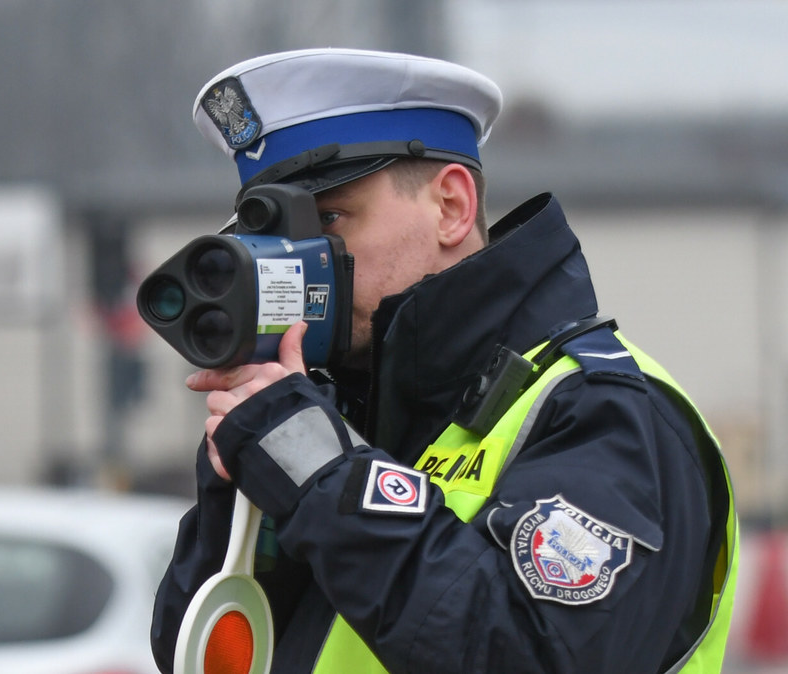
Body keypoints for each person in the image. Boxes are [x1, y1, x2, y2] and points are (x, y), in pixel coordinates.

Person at [149, 48, 738, 673]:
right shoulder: (343, 414)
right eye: (274, 238)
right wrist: (240, 499)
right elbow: (205, 659)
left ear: (452, 206)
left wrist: (317, 467)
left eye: (329, 218)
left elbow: (533, 658)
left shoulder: (606, 409)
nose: (301, 262)